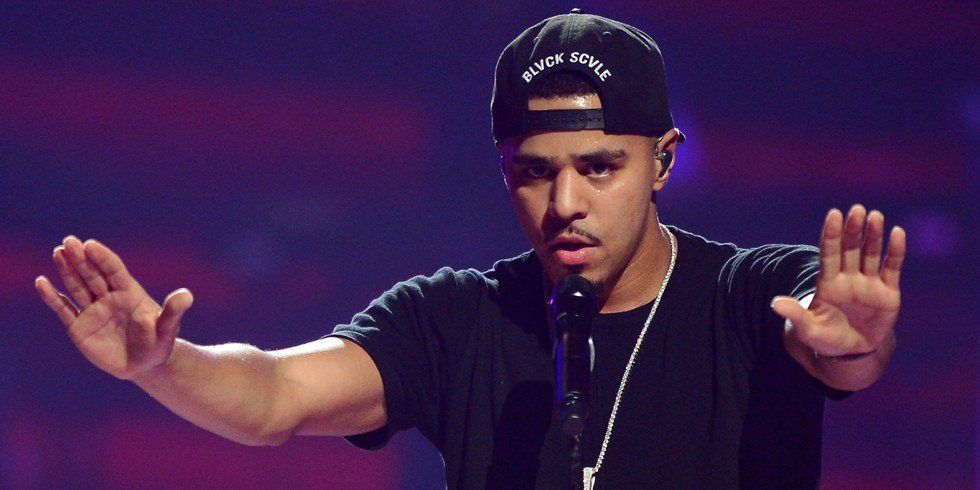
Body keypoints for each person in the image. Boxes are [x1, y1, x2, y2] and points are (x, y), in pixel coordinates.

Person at [35, 10, 904, 489]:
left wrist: (856, 343)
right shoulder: (455, 319)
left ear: (663, 162)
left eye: (600, 167)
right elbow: (274, 395)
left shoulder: (746, 296)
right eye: (534, 172)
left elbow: (834, 344)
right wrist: (162, 365)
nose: (565, 204)